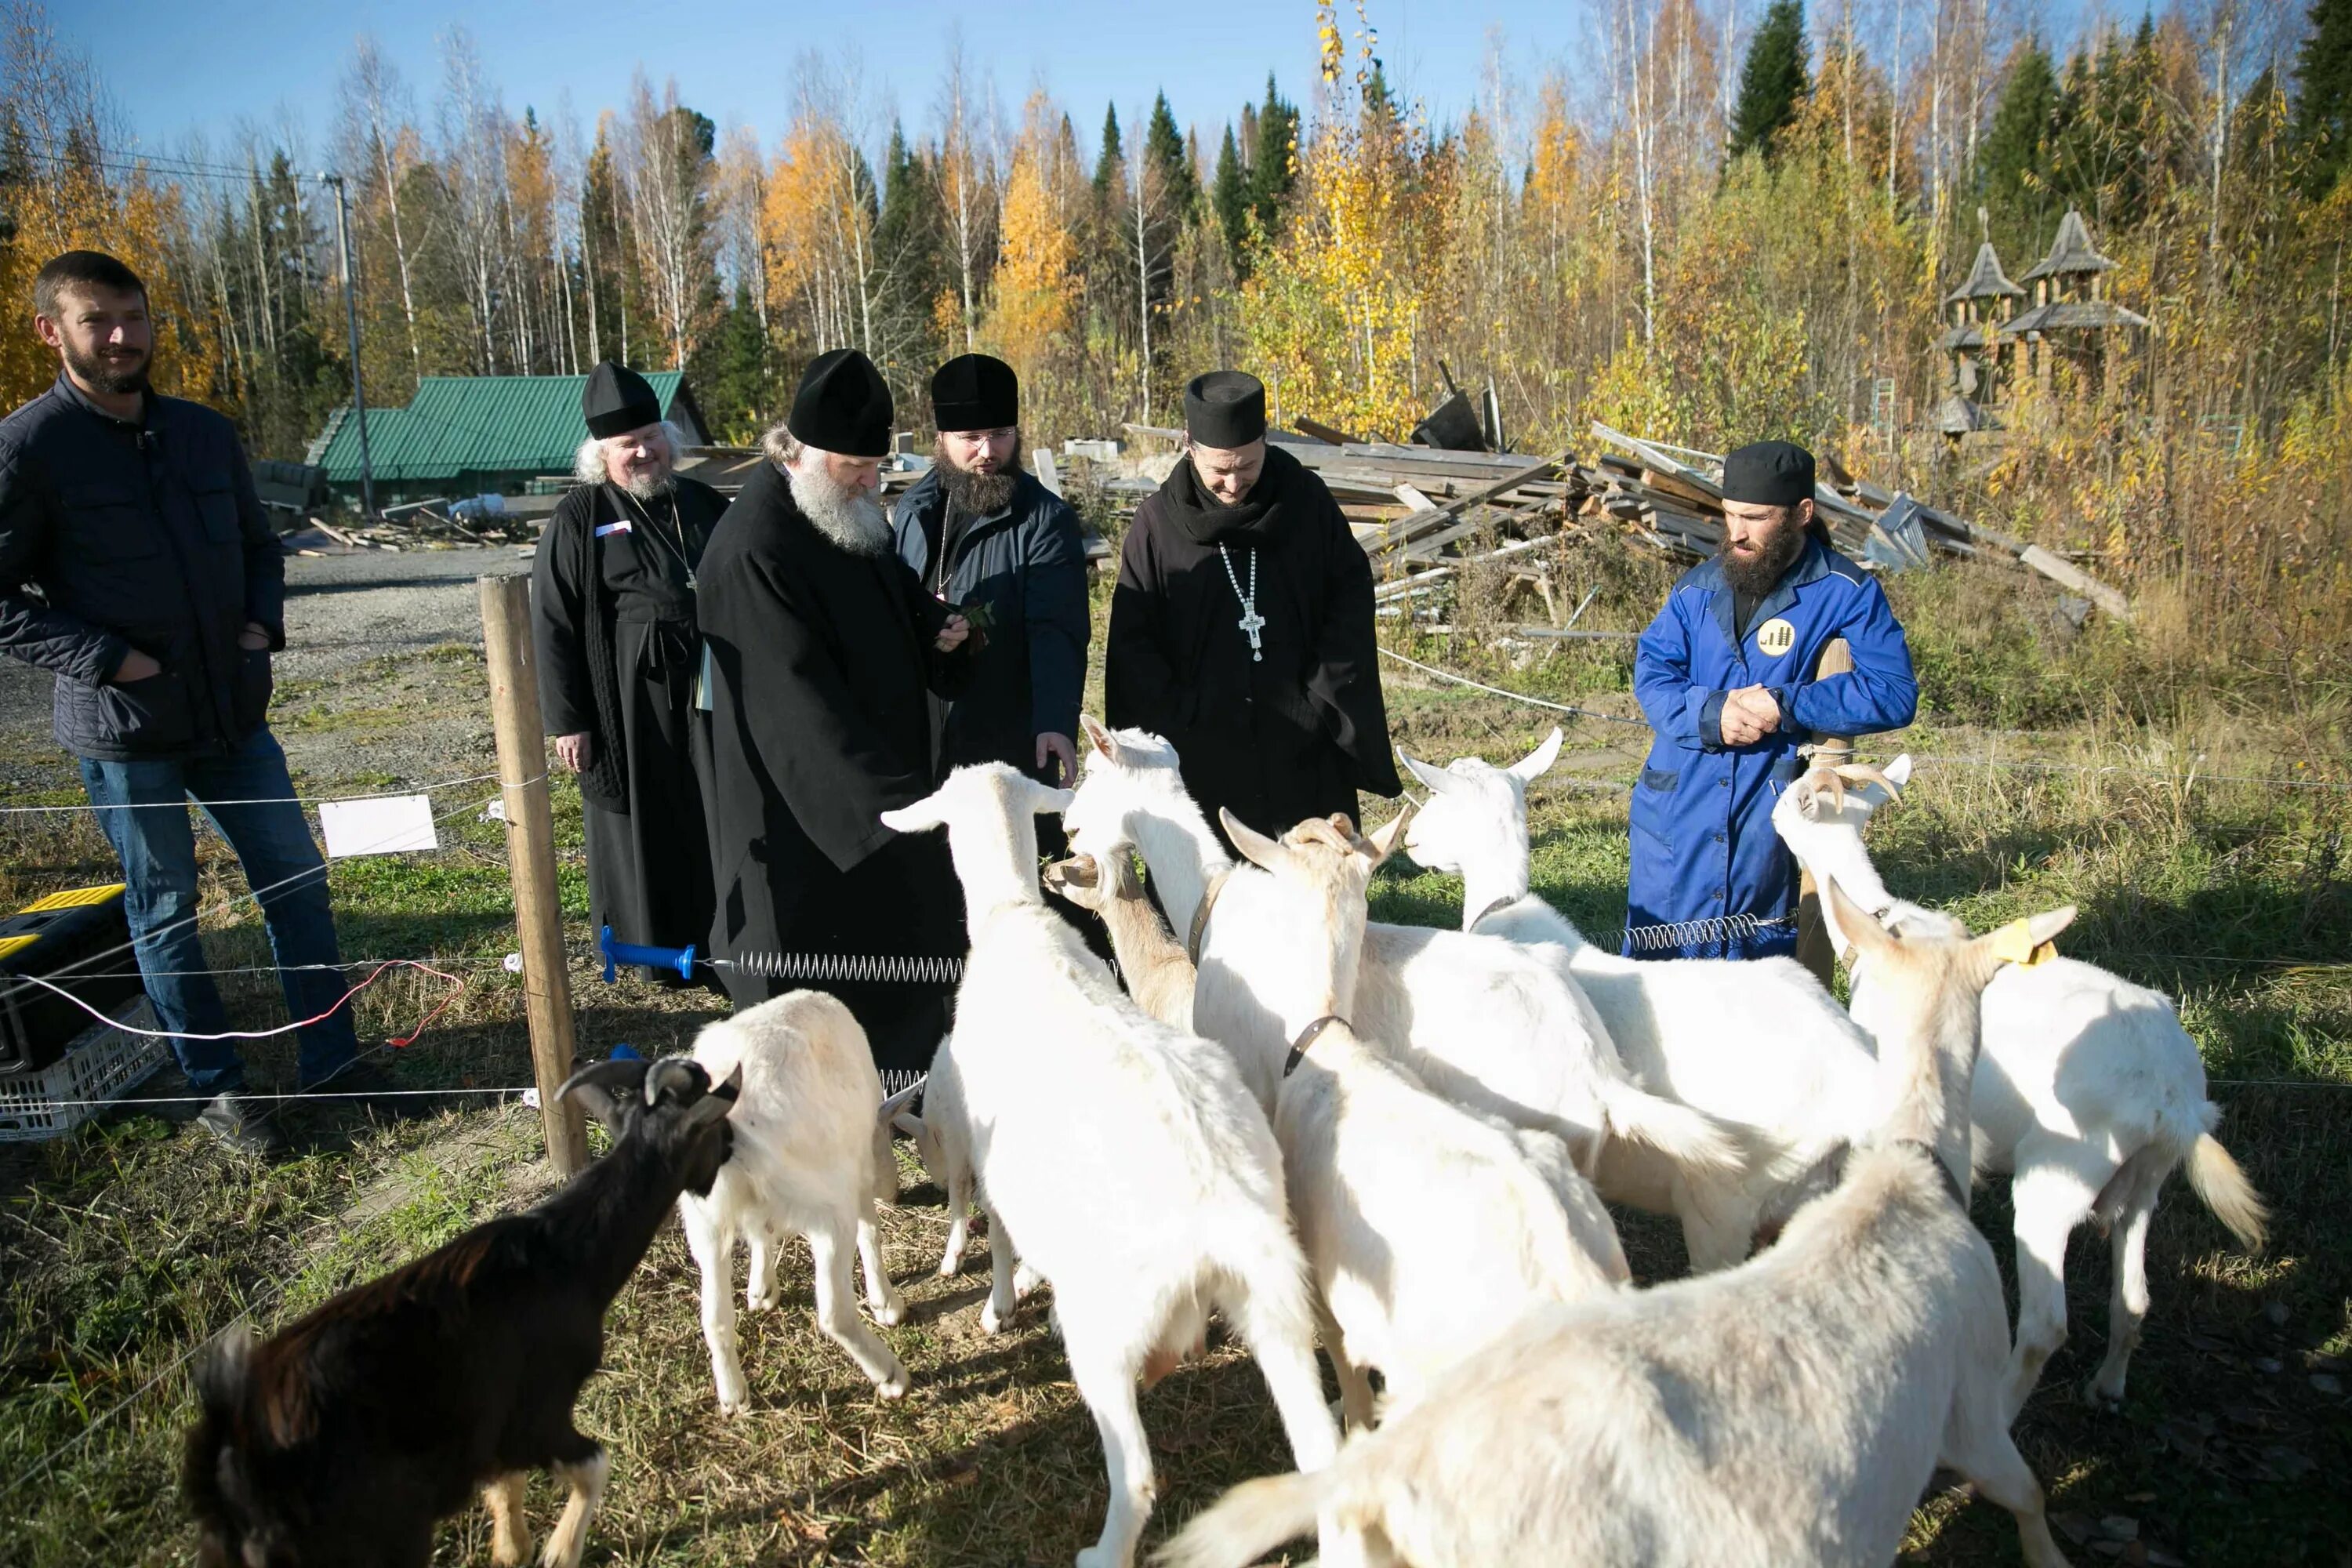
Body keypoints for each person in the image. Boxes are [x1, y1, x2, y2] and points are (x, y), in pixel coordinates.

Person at [0, 250, 372, 1152]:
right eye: (99, 320)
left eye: (134, 315)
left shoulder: (203, 433)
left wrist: (259, 632)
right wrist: (108, 658)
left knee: (297, 883)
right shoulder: (29, 448)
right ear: (53, 331)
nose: (123, 336)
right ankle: (221, 1091)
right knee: (165, 909)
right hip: (127, 732)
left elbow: (259, 546)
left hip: (232, 716)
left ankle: (334, 1065)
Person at [697, 349, 973, 1086]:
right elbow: (798, 713)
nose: (869, 483)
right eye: (854, 466)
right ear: (797, 451)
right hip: (810, 822)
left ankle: (901, 1103)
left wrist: (937, 631)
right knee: (812, 1010)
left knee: (898, 983)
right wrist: (894, 815)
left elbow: (892, 598)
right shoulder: (755, 548)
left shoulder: (839, 508)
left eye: (874, 466)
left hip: (879, 794)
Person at [1624, 439, 1918, 962]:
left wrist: (1788, 705)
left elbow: (1893, 692)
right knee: (1659, 981)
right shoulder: (1697, 589)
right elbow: (1652, 672)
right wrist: (1710, 713)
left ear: (1802, 514)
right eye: (1730, 514)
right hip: (1676, 813)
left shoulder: (1845, 591)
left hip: (1766, 813)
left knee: (1758, 987)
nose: (1736, 532)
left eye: (1755, 518)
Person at [1105, 370, 1399, 841]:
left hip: (1304, 741)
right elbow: (1134, 642)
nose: (1233, 483)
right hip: (1201, 747)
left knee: (1315, 888)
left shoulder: (1305, 503)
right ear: (1189, 444)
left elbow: (1349, 595)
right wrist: (1183, 715)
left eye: (1246, 466)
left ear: (1264, 440)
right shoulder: (1157, 525)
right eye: (1219, 469)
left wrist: (1319, 697)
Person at [531, 362, 724, 983]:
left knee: (710, 811)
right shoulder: (579, 517)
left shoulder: (702, 503)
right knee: (642, 821)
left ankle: (718, 941)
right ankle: (651, 956)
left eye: (651, 436)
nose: (643, 452)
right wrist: (569, 721)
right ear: (601, 455)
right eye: (626, 445)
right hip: (625, 699)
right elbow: (553, 624)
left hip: (706, 688)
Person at [891, 353, 1088, 792]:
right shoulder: (913, 510)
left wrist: (1055, 722)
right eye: (972, 436)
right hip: (921, 734)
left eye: (1001, 434)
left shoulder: (1045, 519)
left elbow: (1057, 629)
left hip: (1005, 734)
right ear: (942, 438)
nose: (988, 451)